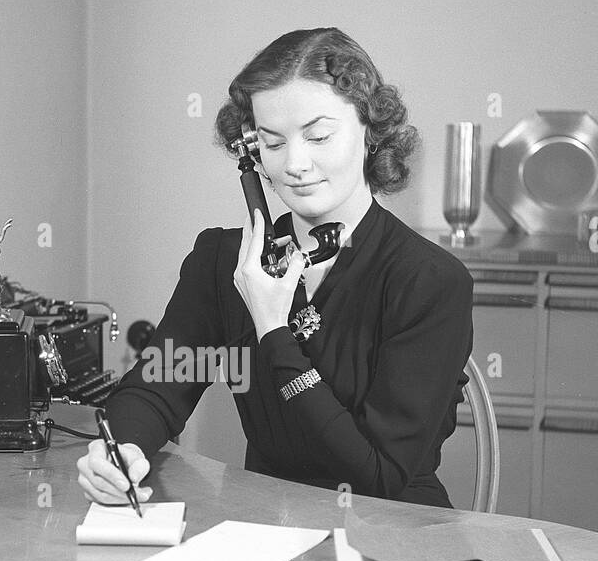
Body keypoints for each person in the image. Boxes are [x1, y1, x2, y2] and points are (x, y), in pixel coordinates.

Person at [76, 27, 474, 510]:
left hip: (390, 537)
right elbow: (159, 385)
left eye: (319, 136)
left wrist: (272, 330)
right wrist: (122, 448)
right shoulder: (223, 262)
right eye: (273, 142)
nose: (295, 164)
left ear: (370, 131)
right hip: (268, 531)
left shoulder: (429, 282)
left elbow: (379, 477)